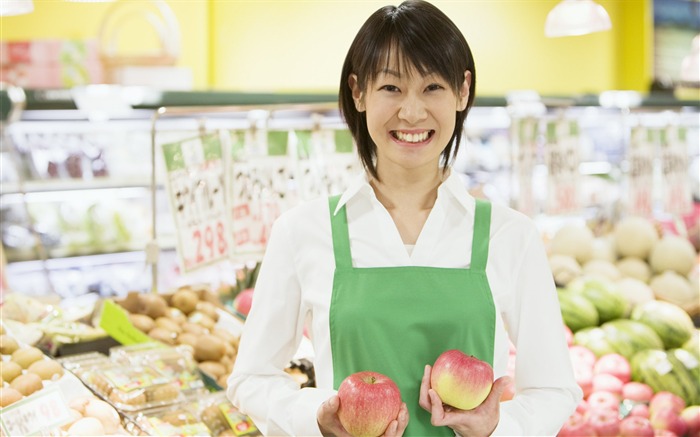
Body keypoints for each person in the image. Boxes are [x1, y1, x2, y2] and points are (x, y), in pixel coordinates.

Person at [227, 1, 583, 435]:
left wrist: (496, 428)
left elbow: (554, 388)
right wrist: (316, 420)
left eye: (432, 87)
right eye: (392, 88)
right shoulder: (303, 231)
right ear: (358, 92)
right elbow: (250, 378)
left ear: (463, 91)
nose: (412, 112)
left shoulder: (512, 235)